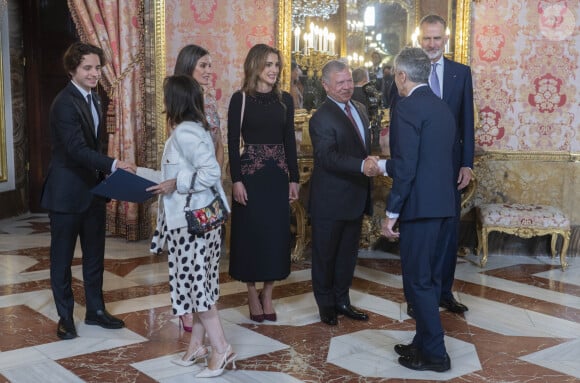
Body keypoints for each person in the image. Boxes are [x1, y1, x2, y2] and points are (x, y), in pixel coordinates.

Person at [40, 42, 136, 340]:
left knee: (95, 257)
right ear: (72, 70)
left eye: (97, 67)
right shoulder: (63, 103)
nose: (95, 73)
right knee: (62, 259)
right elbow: (76, 150)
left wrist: (106, 174)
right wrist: (115, 164)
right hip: (66, 194)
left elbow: (93, 147)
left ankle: (95, 311)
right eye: (88, 68)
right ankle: (66, 317)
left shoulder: (95, 99)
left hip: (93, 191)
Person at [146, 75, 236, 378]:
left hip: (192, 225)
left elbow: (210, 172)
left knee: (198, 287)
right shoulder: (190, 130)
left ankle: (221, 348)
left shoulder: (185, 133)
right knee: (198, 285)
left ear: (174, 101)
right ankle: (196, 345)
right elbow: (180, 173)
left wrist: (177, 183)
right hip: (197, 223)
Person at [389, 14, 474, 317]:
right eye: (427, 38)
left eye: (437, 38)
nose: (432, 44)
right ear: (419, 38)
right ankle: (419, 299)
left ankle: (443, 292)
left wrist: (467, 164)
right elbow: (399, 123)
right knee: (419, 241)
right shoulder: (403, 75)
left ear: (445, 40)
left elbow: (467, 121)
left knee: (447, 234)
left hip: (450, 168)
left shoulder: (460, 73)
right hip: (416, 170)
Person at [381, 47, 456, 372]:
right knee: (425, 280)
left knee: (419, 283)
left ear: (402, 75)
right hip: (443, 206)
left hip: (419, 208)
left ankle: (436, 354)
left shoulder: (407, 107)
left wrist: (392, 212)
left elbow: (408, 166)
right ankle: (421, 343)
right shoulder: (442, 107)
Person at [227, 44, 300, 323]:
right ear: (255, 66)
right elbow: (233, 143)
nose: (273, 70)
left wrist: (294, 178)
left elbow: (289, 142)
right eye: (268, 64)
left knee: (276, 236)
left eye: (277, 65)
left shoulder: (285, 100)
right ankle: (250, 291)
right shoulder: (240, 99)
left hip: (277, 177)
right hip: (251, 177)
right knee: (250, 235)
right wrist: (236, 180)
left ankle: (268, 294)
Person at [308, 59, 381, 326]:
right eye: (340, 83)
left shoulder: (359, 109)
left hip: (355, 197)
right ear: (326, 85)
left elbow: (361, 147)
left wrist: (369, 159)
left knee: (347, 255)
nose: (347, 87)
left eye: (349, 80)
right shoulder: (320, 118)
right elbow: (327, 157)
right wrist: (363, 165)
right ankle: (326, 305)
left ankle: (342, 300)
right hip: (330, 199)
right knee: (325, 256)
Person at [172, 44, 224, 332]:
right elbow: (186, 153)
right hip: (190, 188)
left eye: (210, 65)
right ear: (188, 66)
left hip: (210, 185)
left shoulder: (210, 100)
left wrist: (216, 178)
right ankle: (188, 306)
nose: (208, 71)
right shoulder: (182, 103)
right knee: (188, 254)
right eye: (202, 65)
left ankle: (205, 303)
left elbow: (219, 142)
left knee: (208, 254)